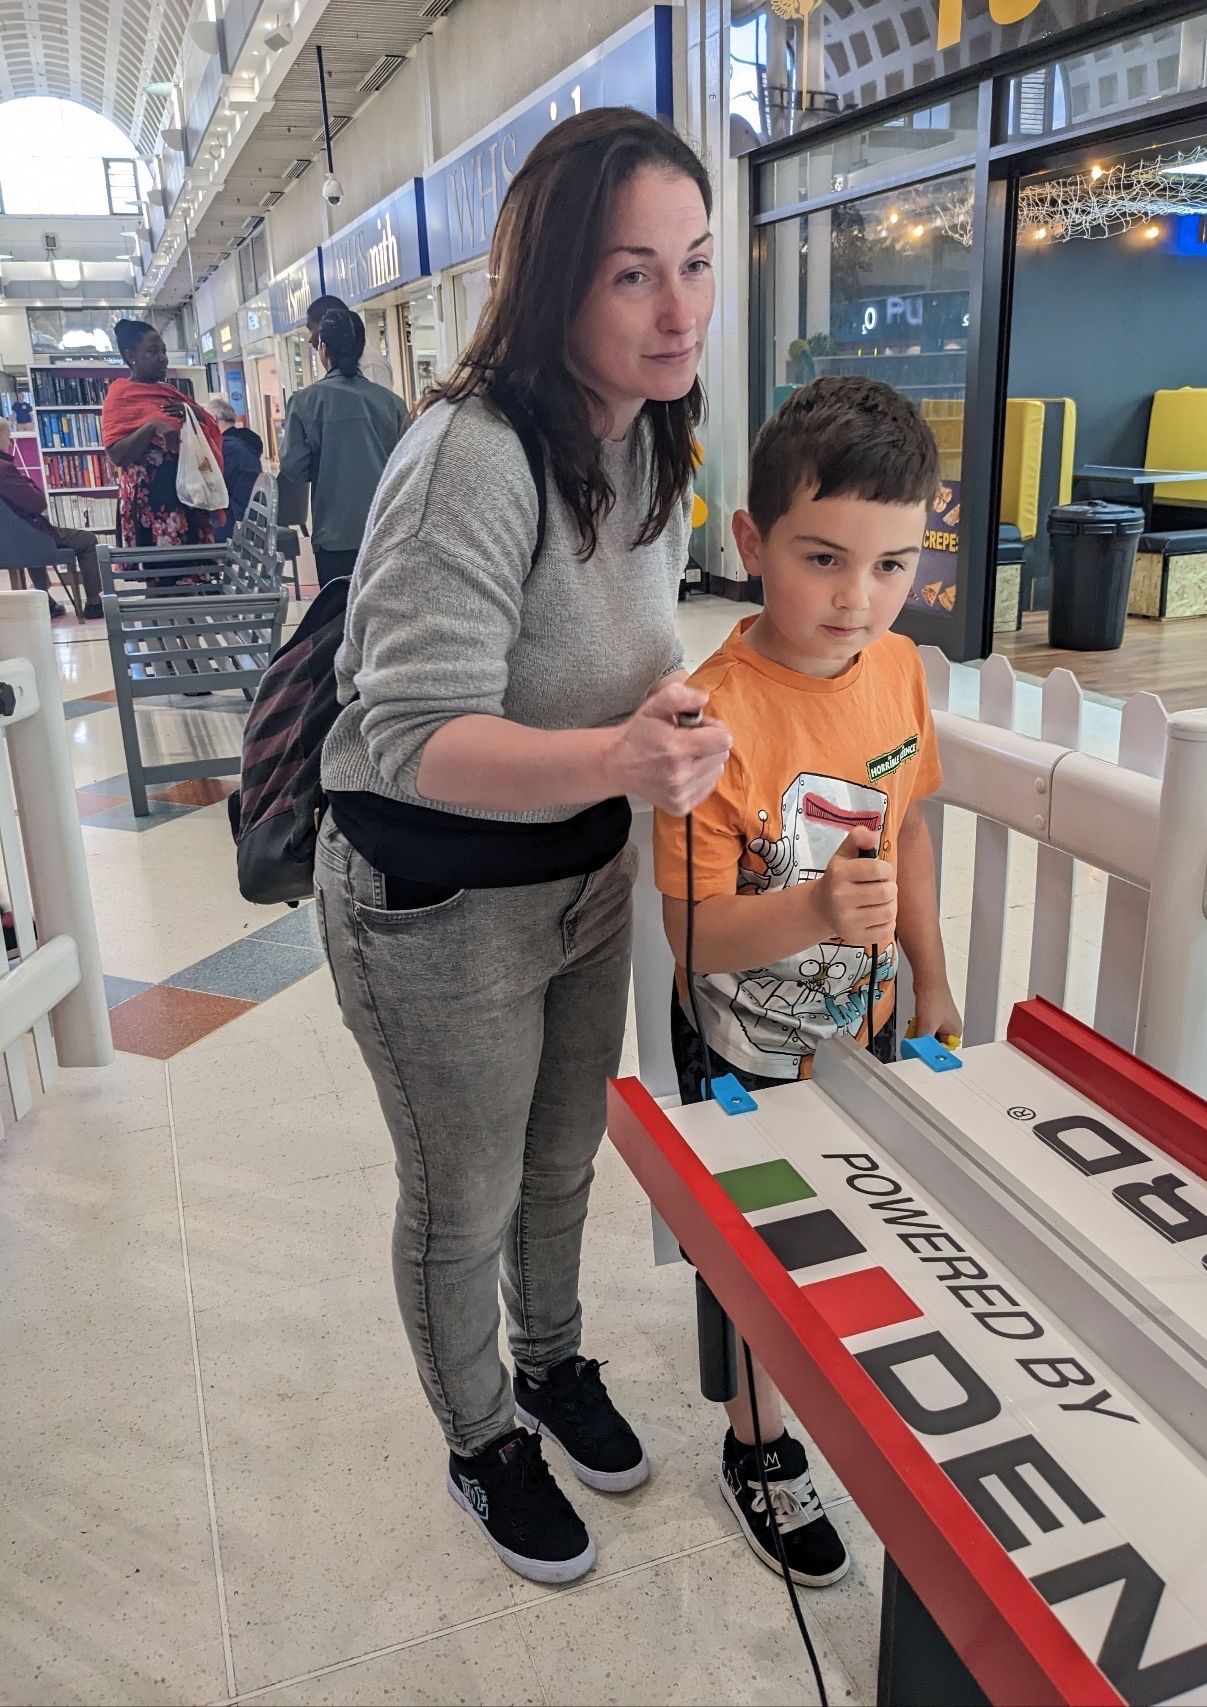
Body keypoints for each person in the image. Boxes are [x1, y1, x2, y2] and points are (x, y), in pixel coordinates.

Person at [314, 107, 730, 1585]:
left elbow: (609, 645)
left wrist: (657, 712)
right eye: (633, 274)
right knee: (466, 1186)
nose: (680, 307)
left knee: (564, 1163)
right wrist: (620, 755)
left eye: (695, 261)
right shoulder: (469, 456)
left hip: (580, 875)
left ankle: (551, 1363)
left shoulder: (648, 436)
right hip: (434, 903)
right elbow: (420, 727)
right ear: (552, 283)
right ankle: (483, 1430)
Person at [652, 375, 963, 1589]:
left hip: (863, 1027)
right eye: (823, 558)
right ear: (749, 540)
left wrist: (930, 975)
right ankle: (756, 1444)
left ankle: (820, 1387)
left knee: (840, 1235)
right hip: (739, 1045)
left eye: (891, 565)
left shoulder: (895, 672)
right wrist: (817, 908)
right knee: (757, 1260)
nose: (857, 599)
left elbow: (911, 827)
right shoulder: (708, 719)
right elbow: (693, 938)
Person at [279, 306, 406, 585]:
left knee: (338, 621)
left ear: (323, 347)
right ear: (360, 348)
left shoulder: (305, 403)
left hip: (334, 537)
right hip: (385, 533)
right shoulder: (391, 403)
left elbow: (294, 468)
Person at [102, 320, 225, 550]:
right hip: (151, 502)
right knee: (163, 578)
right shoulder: (120, 396)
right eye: (152, 351)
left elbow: (207, 427)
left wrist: (194, 412)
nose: (163, 358)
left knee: (199, 574)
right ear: (131, 356)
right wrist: (151, 427)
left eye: (164, 350)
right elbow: (117, 455)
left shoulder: (170, 392)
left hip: (189, 495)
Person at [0, 417, 102, 617]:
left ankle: (46, 600)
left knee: (27, 539)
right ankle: (94, 603)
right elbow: (37, 503)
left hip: (8, 541)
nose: (11, 443)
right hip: (28, 537)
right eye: (8, 437)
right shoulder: (4, 469)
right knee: (88, 541)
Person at [305, 294, 396, 394]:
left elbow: (378, 405)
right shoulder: (333, 362)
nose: (309, 339)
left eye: (311, 329)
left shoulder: (369, 362)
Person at [207, 394, 263, 539]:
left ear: (214, 419)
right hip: (254, 516)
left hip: (232, 521)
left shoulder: (227, 447)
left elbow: (211, 485)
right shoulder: (247, 443)